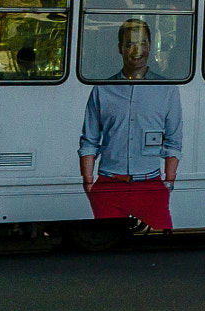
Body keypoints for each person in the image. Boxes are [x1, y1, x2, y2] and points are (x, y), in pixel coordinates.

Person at [78, 17, 184, 231]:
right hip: (109, 185)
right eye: (130, 44)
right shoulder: (102, 89)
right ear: (120, 49)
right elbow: (89, 141)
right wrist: (88, 181)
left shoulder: (167, 89)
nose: (137, 50)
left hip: (150, 186)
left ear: (150, 46)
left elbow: (174, 140)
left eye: (142, 43)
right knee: (110, 250)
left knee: (162, 242)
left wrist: (169, 182)